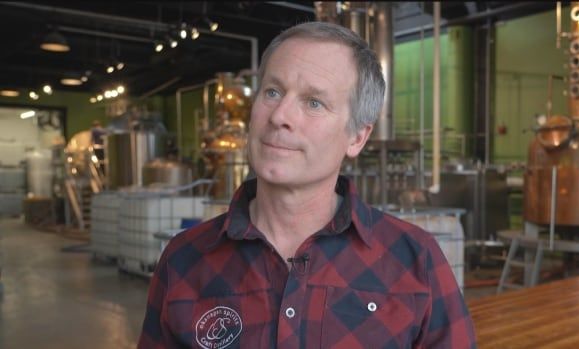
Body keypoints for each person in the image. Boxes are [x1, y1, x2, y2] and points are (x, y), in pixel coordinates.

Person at [138, 21, 476, 348]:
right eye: (272, 92)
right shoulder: (185, 260)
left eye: (314, 102)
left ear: (357, 137)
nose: (279, 115)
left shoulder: (414, 261)